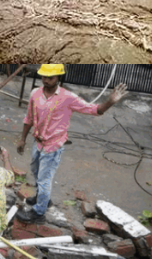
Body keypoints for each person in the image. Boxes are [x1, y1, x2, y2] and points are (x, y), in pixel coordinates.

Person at [16, 65, 127, 223]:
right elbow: (29, 119)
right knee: (35, 171)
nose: (46, 81)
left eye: (51, 77)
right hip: (37, 142)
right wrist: (22, 139)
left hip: (53, 147)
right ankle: (43, 199)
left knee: (44, 179)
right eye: (44, 77)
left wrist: (110, 101)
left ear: (59, 77)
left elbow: (95, 110)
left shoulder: (68, 98)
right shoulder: (35, 94)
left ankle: (38, 213)